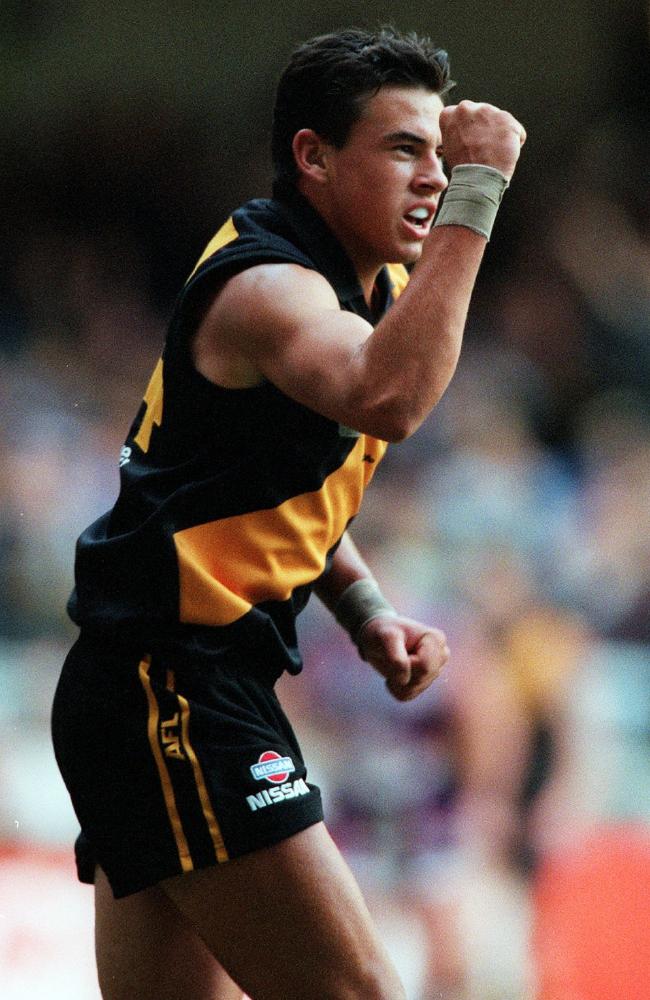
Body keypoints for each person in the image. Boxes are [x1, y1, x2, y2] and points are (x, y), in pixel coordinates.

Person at [52, 26, 525, 1000]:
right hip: (171, 688)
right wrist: (480, 196)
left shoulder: (365, 285)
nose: (432, 178)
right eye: (403, 149)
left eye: (442, 156)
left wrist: (364, 611)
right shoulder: (269, 291)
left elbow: (276, 491)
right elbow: (386, 397)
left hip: (156, 689)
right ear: (312, 156)